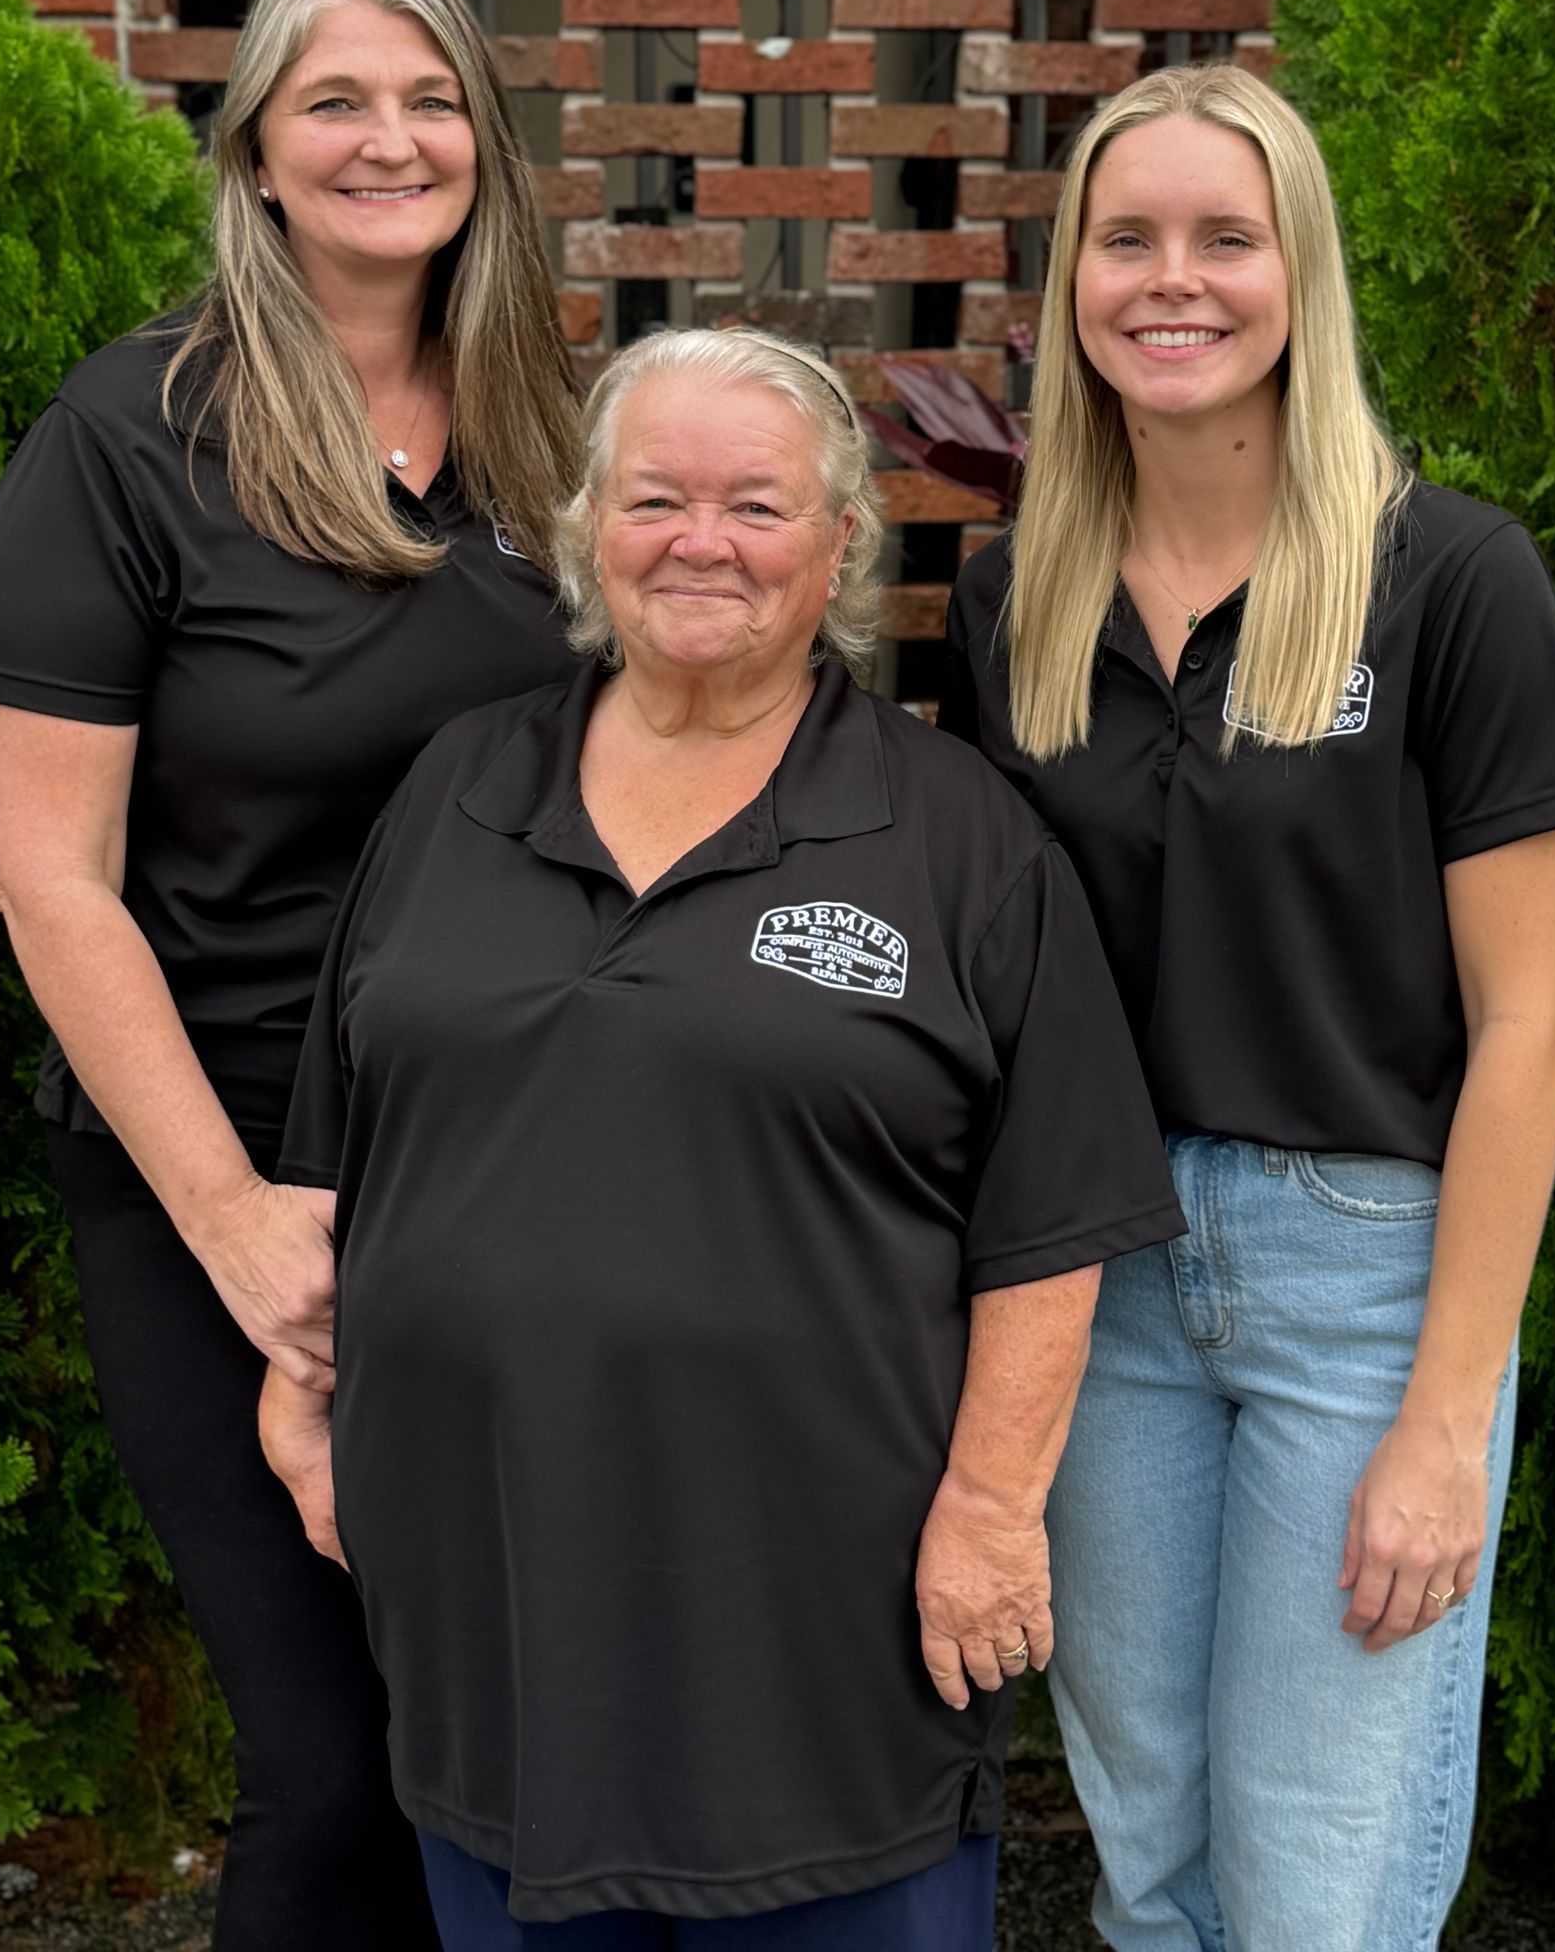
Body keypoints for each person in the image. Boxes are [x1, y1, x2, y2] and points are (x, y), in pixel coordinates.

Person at [258, 326, 1183, 1951]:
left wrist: (989, 1511)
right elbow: (347, 1143)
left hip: (821, 1658)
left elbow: (1050, 1220)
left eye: (757, 505)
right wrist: (303, 1385)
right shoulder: (459, 789)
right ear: (586, 534)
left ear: (840, 547)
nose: (701, 541)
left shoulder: (957, 840)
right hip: (497, 1628)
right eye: (655, 498)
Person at [939, 63, 1555, 1952]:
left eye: (1227, 239)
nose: (1177, 281)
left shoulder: (1449, 578)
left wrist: (1444, 1422)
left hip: (1363, 1283)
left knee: (1322, 1894)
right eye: (1127, 238)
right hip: (1102, 1275)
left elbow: (1526, 1031)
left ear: (1300, 277)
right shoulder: (1013, 603)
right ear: (1070, 281)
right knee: (1151, 1863)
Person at [0, 0, 582, 1950]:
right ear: (255, 151)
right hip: (217, 1170)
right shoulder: (134, 433)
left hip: (502, 1166)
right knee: (330, 1762)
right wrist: (230, 1211)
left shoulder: (542, 432)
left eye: (427, 98)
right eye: (335, 100)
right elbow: (51, 875)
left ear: (483, 142)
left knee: (497, 1739)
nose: (387, 138)